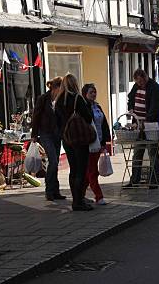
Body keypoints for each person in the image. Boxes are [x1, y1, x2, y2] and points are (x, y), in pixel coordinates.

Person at [55, 74, 94, 211]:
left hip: (67, 139)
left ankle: (75, 200)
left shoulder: (59, 100)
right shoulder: (78, 99)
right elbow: (88, 118)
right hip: (80, 139)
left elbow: (57, 122)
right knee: (81, 170)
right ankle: (79, 201)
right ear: (75, 84)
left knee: (73, 169)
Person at [31, 77, 66, 202]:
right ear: (55, 87)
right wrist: (34, 134)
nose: (62, 92)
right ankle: (49, 190)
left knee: (55, 161)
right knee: (53, 161)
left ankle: (55, 191)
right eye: (61, 89)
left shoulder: (60, 100)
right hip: (45, 133)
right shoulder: (43, 99)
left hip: (57, 134)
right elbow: (36, 116)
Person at [127, 69, 159, 188]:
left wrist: (146, 121)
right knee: (137, 153)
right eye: (137, 82)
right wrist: (131, 109)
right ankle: (135, 180)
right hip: (137, 126)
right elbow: (130, 98)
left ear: (145, 77)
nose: (139, 84)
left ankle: (153, 181)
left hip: (151, 126)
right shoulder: (136, 86)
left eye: (141, 82)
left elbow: (155, 107)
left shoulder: (154, 87)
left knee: (152, 153)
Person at [81, 84, 111, 205]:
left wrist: (105, 142)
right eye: (91, 92)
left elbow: (104, 125)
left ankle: (80, 195)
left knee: (89, 172)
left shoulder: (97, 106)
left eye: (94, 92)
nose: (93, 94)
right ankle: (99, 196)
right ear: (85, 94)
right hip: (89, 144)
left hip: (98, 143)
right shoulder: (84, 107)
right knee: (92, 171)